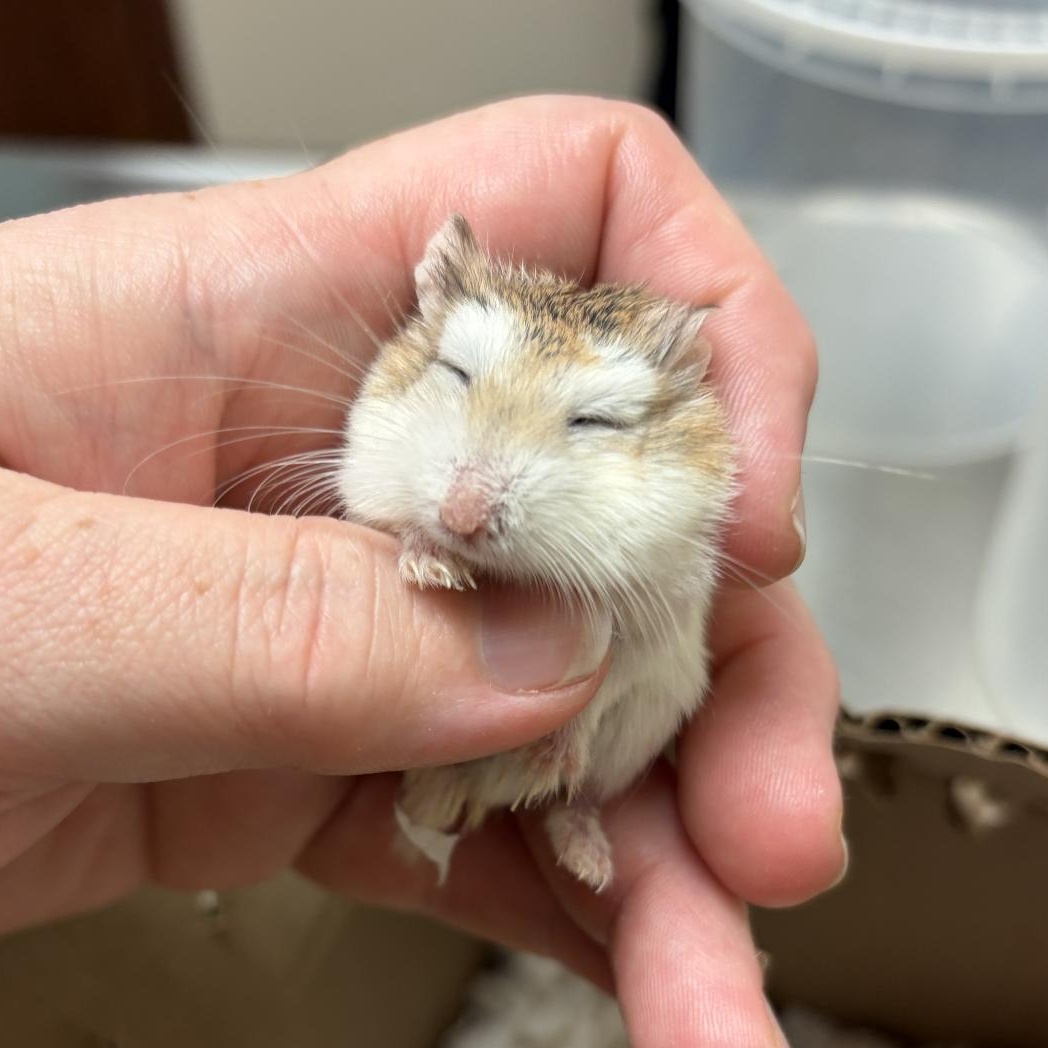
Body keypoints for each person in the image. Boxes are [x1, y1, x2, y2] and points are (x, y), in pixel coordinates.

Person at [0, 96, 841, 1046]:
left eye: (591, 420)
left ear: (666, 411)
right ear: (429, 335)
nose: (470, 503)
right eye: (458, 377)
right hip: (361, 751)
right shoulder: (395, 404)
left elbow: (664, 601)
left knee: (663, 680)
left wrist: (580, 701)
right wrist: (405, 547)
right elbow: (366, 479)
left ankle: (574, 799)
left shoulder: (688, 460)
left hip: (610, 706)